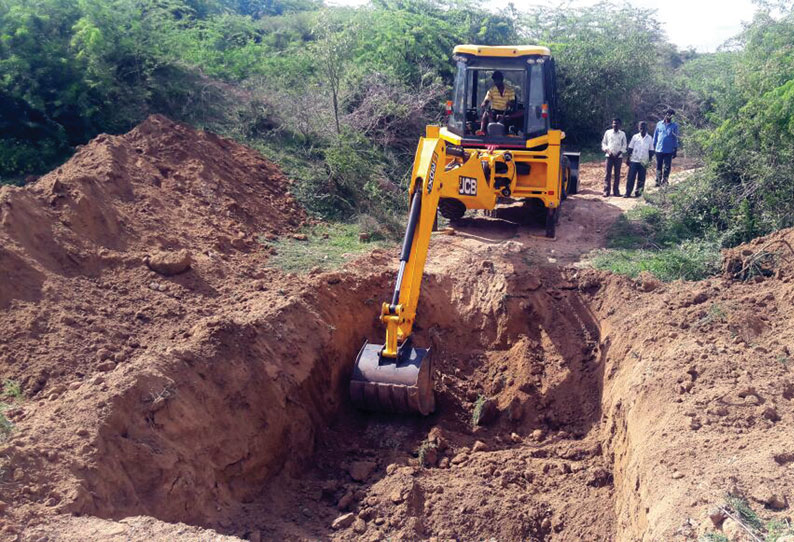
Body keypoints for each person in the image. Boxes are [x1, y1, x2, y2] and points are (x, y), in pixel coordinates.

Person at [476, 71, 517, 136]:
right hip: (494, 110)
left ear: (501, 80)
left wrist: (510, 103)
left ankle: (503, 131)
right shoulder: (491, 90)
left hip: (505, 111)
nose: (496, 82)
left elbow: (513, 102)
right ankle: (482, 130)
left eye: (497, 80)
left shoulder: (510, 90)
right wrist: (484, 103)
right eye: (495, 80)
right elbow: (486, 100)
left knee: (505, 118)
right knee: (486, 114)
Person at [624, 121, 654, 197]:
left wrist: (649, 161)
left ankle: (639, 193)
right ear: (638, 128)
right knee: (631, 177)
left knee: (641, 178)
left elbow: (651, 151)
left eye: (644, 127)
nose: (642, 129)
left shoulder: (650, 138)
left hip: (644, 161)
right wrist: (628, 159)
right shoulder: (635, 137)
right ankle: (628, 192)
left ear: (646, 128)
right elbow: (630, 148)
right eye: (641, 127)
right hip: (634, 160)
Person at [653, 108, 679, 186]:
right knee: (658, 166)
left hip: (669, 150)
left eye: (671, 115)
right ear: (665, 114)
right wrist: (653, 147)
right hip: (659, 149)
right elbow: (655, 136)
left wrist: (675, 149)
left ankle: (665, 181)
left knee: (667, 167)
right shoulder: (659, 124)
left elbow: (676, 138)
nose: (669, 116)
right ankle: (657, 181)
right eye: (667, 114)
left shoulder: (675, 126)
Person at [601, 118, 627, 197]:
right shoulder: (608, 132)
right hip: (609, 156)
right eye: (614, 123)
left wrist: (619, 153)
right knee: (607, 174)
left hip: (618, 157)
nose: (615, 125)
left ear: (620, 125)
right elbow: (604, 143)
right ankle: (606, 191)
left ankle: (616, 191)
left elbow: (624, 145)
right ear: (612, 124)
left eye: (617, 123)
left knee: (617, 174)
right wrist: (608, 151)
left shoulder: (622, 134)